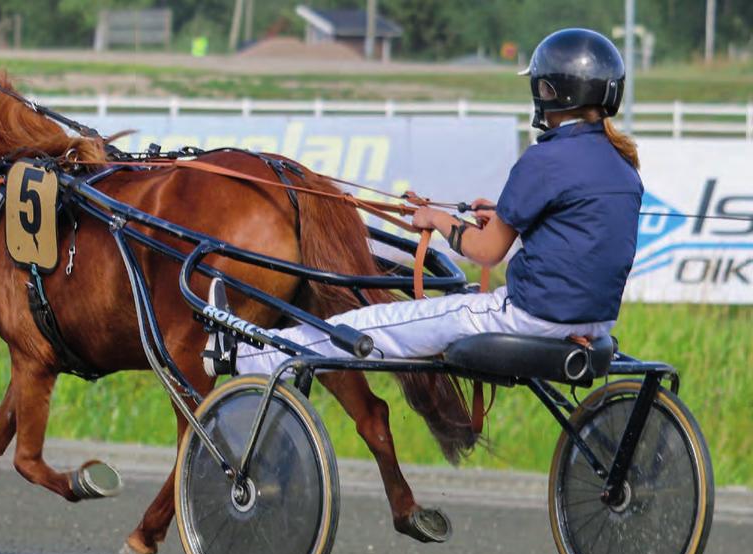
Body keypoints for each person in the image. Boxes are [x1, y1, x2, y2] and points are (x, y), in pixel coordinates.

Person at [203, 28, 643, 378]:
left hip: (529, 318)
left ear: (552, 92)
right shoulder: (623, 165)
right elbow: (578, 230)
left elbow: (488, 252)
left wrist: (435, 218)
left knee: (372, 325)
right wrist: (504, 219)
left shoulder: (546, 158)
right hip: (595, 324)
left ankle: (246, 357)